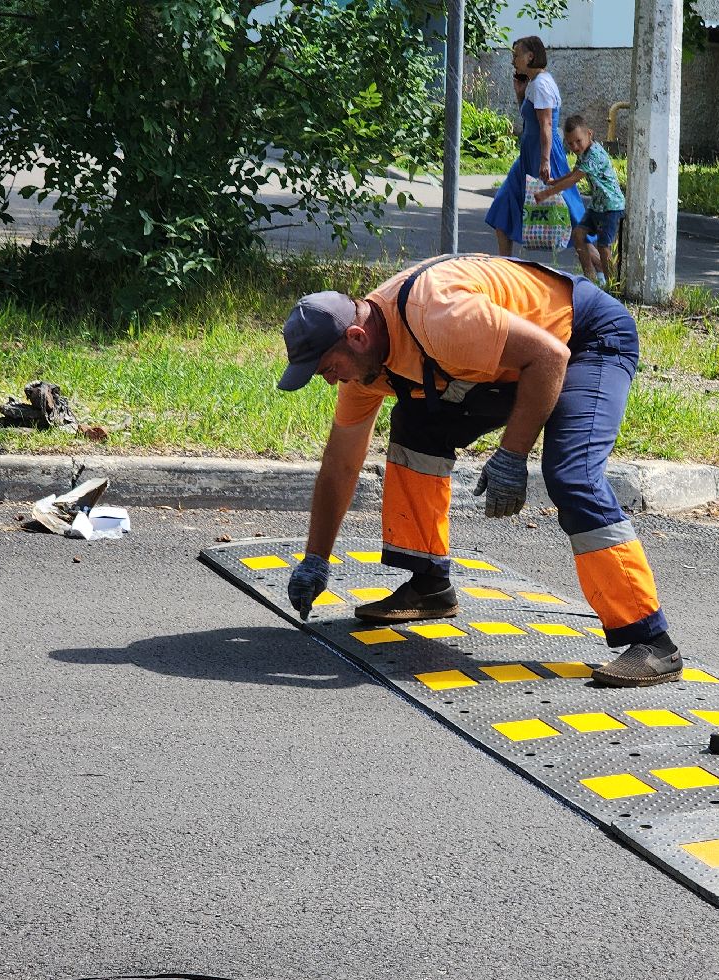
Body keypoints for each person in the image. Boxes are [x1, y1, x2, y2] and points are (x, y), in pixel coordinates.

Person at [278, 254, 683, 688]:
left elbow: (549, 356)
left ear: (357, 337)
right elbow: (340, 464)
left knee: (572, 475)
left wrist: (512, 455)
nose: (331, 381)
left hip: (583, 339)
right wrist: (315, 558)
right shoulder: (368, 365)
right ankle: (429, 585)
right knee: (417, 426)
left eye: (328, 369)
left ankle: (652, 641)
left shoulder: (439, 316)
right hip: (518, 357)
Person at [484, 36, 585, 258]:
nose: (513, 61)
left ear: (530, 56)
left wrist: (545, 160)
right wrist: (520, 94)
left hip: (544, 153)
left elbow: (546, 124)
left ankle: (598, 268)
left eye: (516, 55)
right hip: (527, 155)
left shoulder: (541, 85)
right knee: (503, 204)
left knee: (570, 213)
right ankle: (506, 265)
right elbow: (530, 118)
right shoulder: (534, 83)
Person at [533, 115, 625, 288]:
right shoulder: (584, 152)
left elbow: (574, 179)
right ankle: (589, 278)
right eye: (570, 143)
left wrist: (546, 193)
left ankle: (613, 286)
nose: (574, 146)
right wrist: (555, 181)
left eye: (578, 141)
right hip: (597, 206)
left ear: (589, 134)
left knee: (604, 246)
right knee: (578, 235)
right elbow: (573, 173)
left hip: (611, 207)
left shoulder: (594, 155)